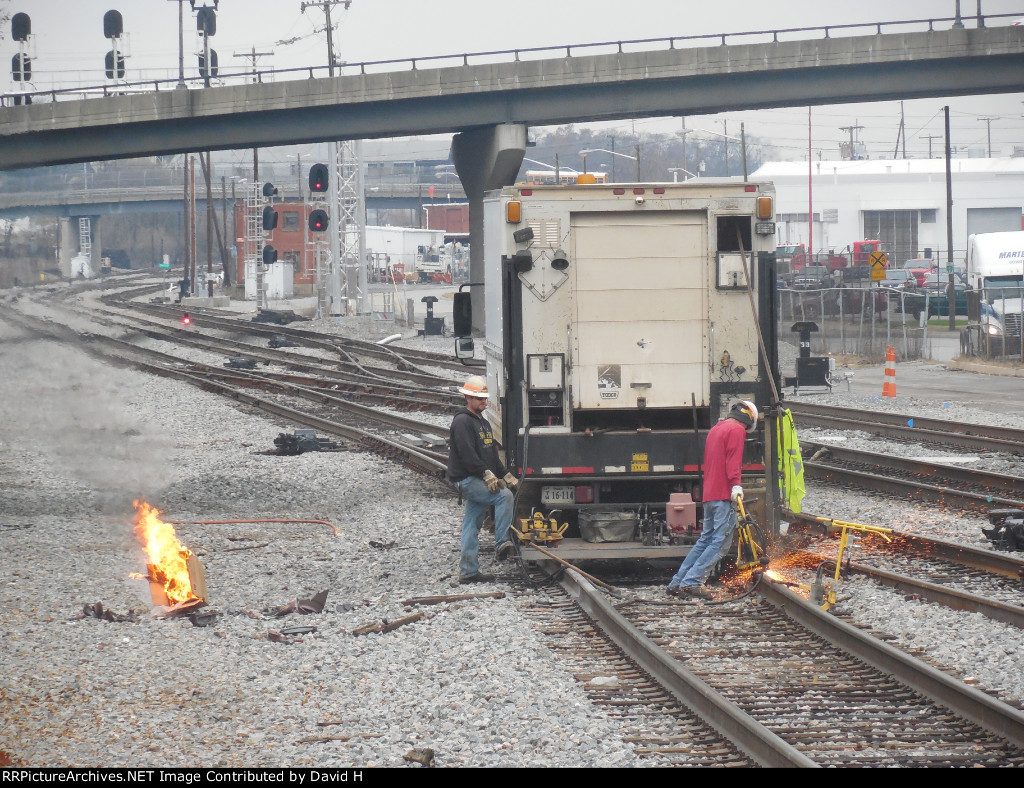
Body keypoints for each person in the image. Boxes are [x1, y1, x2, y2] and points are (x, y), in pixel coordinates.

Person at [666, 400, 759, 599]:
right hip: (724, 496)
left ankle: (677, 582)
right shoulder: (736, 431)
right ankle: (693, 582)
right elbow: (733, 460)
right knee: (720, 543)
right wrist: (736, 485)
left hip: (709, 496)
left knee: (705, 540)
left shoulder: (716, 429)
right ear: (748, 421)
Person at [447, 375, 518, 584]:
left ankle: (468, 572)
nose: (485, 402)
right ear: (468, 398)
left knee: (472, 524)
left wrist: (505, 474)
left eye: (486, 398)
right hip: (467, 479)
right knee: (504, 496)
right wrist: (486, 475)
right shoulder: (462, 423)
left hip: (475, 477)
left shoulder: (484, 424)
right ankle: (502, 542)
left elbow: (492, 456)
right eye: (480, 399)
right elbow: (468, 456)